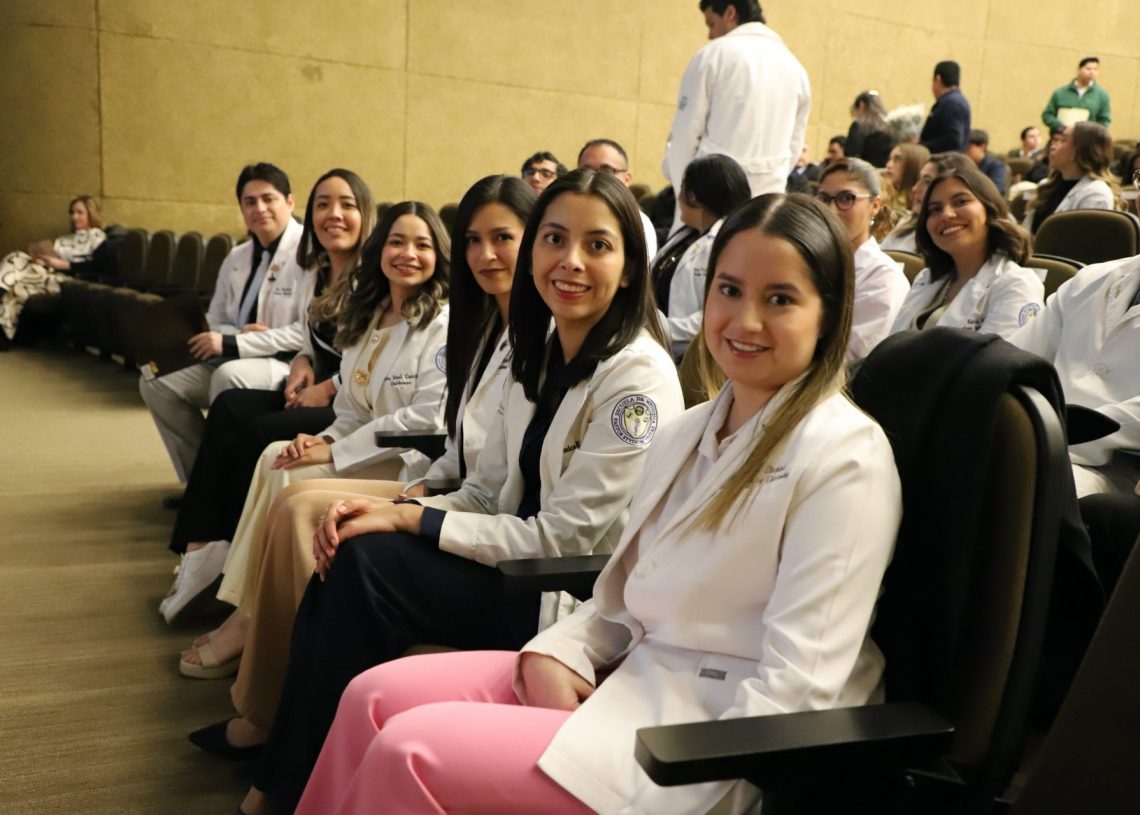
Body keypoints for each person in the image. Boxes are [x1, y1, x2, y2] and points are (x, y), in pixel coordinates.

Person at [294, 192, 903, 815]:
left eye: (780, 299)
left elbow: (799, 689)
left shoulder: (844, 458)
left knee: (410, 750)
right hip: (631, 677)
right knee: (372, 696)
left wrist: (696, 774)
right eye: (729, 290)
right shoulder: (688, 432)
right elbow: (622, 592)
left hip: (696, 743)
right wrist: (559, 652)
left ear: (830, 314)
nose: (745, 321)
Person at [222, 169, 685, 815]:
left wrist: (414, 523)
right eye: (554, 239)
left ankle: (285, 783)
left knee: (368, 568)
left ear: (631, 268)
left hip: (562, 590)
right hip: (508, 560)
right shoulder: (538, 346)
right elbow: (485, 491)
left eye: (598, 245)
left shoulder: (638, 380)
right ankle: (297, 774)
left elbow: (566, 540)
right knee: (353, 544)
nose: (570, 261)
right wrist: (393, 509)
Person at [180, 176, 535, 738]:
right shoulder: (439, 321)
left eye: (423, 244)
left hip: (414, 464)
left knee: (298, 497)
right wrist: (327, 439)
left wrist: (391, 485)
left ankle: (263, 660)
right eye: (397, 241)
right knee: (281, 464)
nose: (408, 253)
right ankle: (258, 648)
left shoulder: (455, 323)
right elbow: (357, 403)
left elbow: (432, 424)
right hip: (445, 481)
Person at [158, 169, 375, 627]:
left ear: (365, 214)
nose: (333, 214)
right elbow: (310, 340)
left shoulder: (372, 277)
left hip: (354, 403)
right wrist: (302, 363)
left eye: (347, 205)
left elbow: (374, 358)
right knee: (229, 407)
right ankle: (201, 546)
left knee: (257, 430)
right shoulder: (320, 271)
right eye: (323, 205)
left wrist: (327, 386)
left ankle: (234, 554)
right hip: (318, 386)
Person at [138, 163, 307, 485]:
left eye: (268, 199)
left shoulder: (308, 253)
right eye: (249, 202)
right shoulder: (237, 256)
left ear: (290, 202)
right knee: (155, 381)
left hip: (285, 363)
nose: (259, 208)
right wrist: (237, 335)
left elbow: (305, 331)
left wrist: (237, 342)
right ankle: (201, 483)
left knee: (228, 377)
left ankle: (227, 485)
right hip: (232, 352)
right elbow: (215, 319)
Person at [1010, 252, 1140, 498]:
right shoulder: (1090, 279)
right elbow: (1016, 360)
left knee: (1012, 490)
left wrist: (1040, 431)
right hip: (1040, 440)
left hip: (1120, 470)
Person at [662, 0, 810, 203]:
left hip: (711, 197)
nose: (710, 34)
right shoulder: (796, 69)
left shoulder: (712, 55)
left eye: (711, 24)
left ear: (730, 13)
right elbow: (794, 146)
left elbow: (685, 135)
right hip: (768, 200)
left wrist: (685, 195)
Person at [891, 164, 1043, 338]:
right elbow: (890, 346)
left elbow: (999, 355)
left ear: (989, 209)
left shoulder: (1016, 284)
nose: (946, 214)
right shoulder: (926, 278)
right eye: (935, 209)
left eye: (961, 202)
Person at [655, 153, 752, 358]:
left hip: (693, 357)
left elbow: (724, 313)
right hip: (659, 345)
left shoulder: (731, 245)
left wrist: (660, 328)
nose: (678, 196)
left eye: (682, 187)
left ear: (693, 196)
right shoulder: (687, 234)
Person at [817, 158, 909, 361]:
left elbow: (852, 360)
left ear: (874, 206)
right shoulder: (810, 261)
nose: (831, 210)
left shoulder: (884, 278)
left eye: (846, 198)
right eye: (824, 199)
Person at [0, 195, 106, 344]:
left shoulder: (99, 238)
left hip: (67, 280)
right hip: (45, 273)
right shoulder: (65, 239)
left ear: (91, 213)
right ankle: (4, 334)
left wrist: (63, 265)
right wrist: (42, 260)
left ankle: (3, 335)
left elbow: (98, 266)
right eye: (72, 212)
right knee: (17, 258)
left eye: (79, 212)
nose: (74, 217)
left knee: (16, 283)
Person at [1025, 121, 1118, 234]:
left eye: (1063, 140)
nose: (1052, 147)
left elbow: (1084, 241)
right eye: (1055, 140)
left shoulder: (1096, 195)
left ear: (1078, 151)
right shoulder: (1046, 186)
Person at [577, 138, 659, 260]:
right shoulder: (564, 214)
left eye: (607, 170)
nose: (595, 177)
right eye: (587, 170)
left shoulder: (638, 226)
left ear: (627, 178)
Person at [880, 151, 973, 253]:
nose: (915, 189)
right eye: (919, 180)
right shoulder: (906, 224)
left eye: (927, 182)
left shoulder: (954, 238)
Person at [1043, 57, 1111, 130]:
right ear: (1078, 70)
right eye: (1088, 69)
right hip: (1061, 134)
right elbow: (1047, 115)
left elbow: (1104, 120)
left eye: (1095, 69)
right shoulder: (1060, 93)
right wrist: (1060, 127)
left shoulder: (1102, 95)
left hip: (1087, 136)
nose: (1092, 73)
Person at [920, 60, 971, 153]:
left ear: (938, 79)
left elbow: (953, 139)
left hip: (945, 160)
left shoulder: (952, 103)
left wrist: (921, 146)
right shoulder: (955, 101)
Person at [846, 89, 896, 168]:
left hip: (866, 172)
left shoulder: (858, 125)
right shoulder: (891, 126)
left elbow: (851, 155)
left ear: (862, 105)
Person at [884, 143, 931, 214]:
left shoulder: (925, 206)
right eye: (890, 159)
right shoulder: (885, 197)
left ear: (913, 165)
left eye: (897, 159)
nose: (888, 165)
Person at [966, 129, 1008, 195]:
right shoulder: (964, 165)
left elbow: (997, 189)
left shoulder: (995, 165)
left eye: (968, 148)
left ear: (982, 146)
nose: (965, 151)